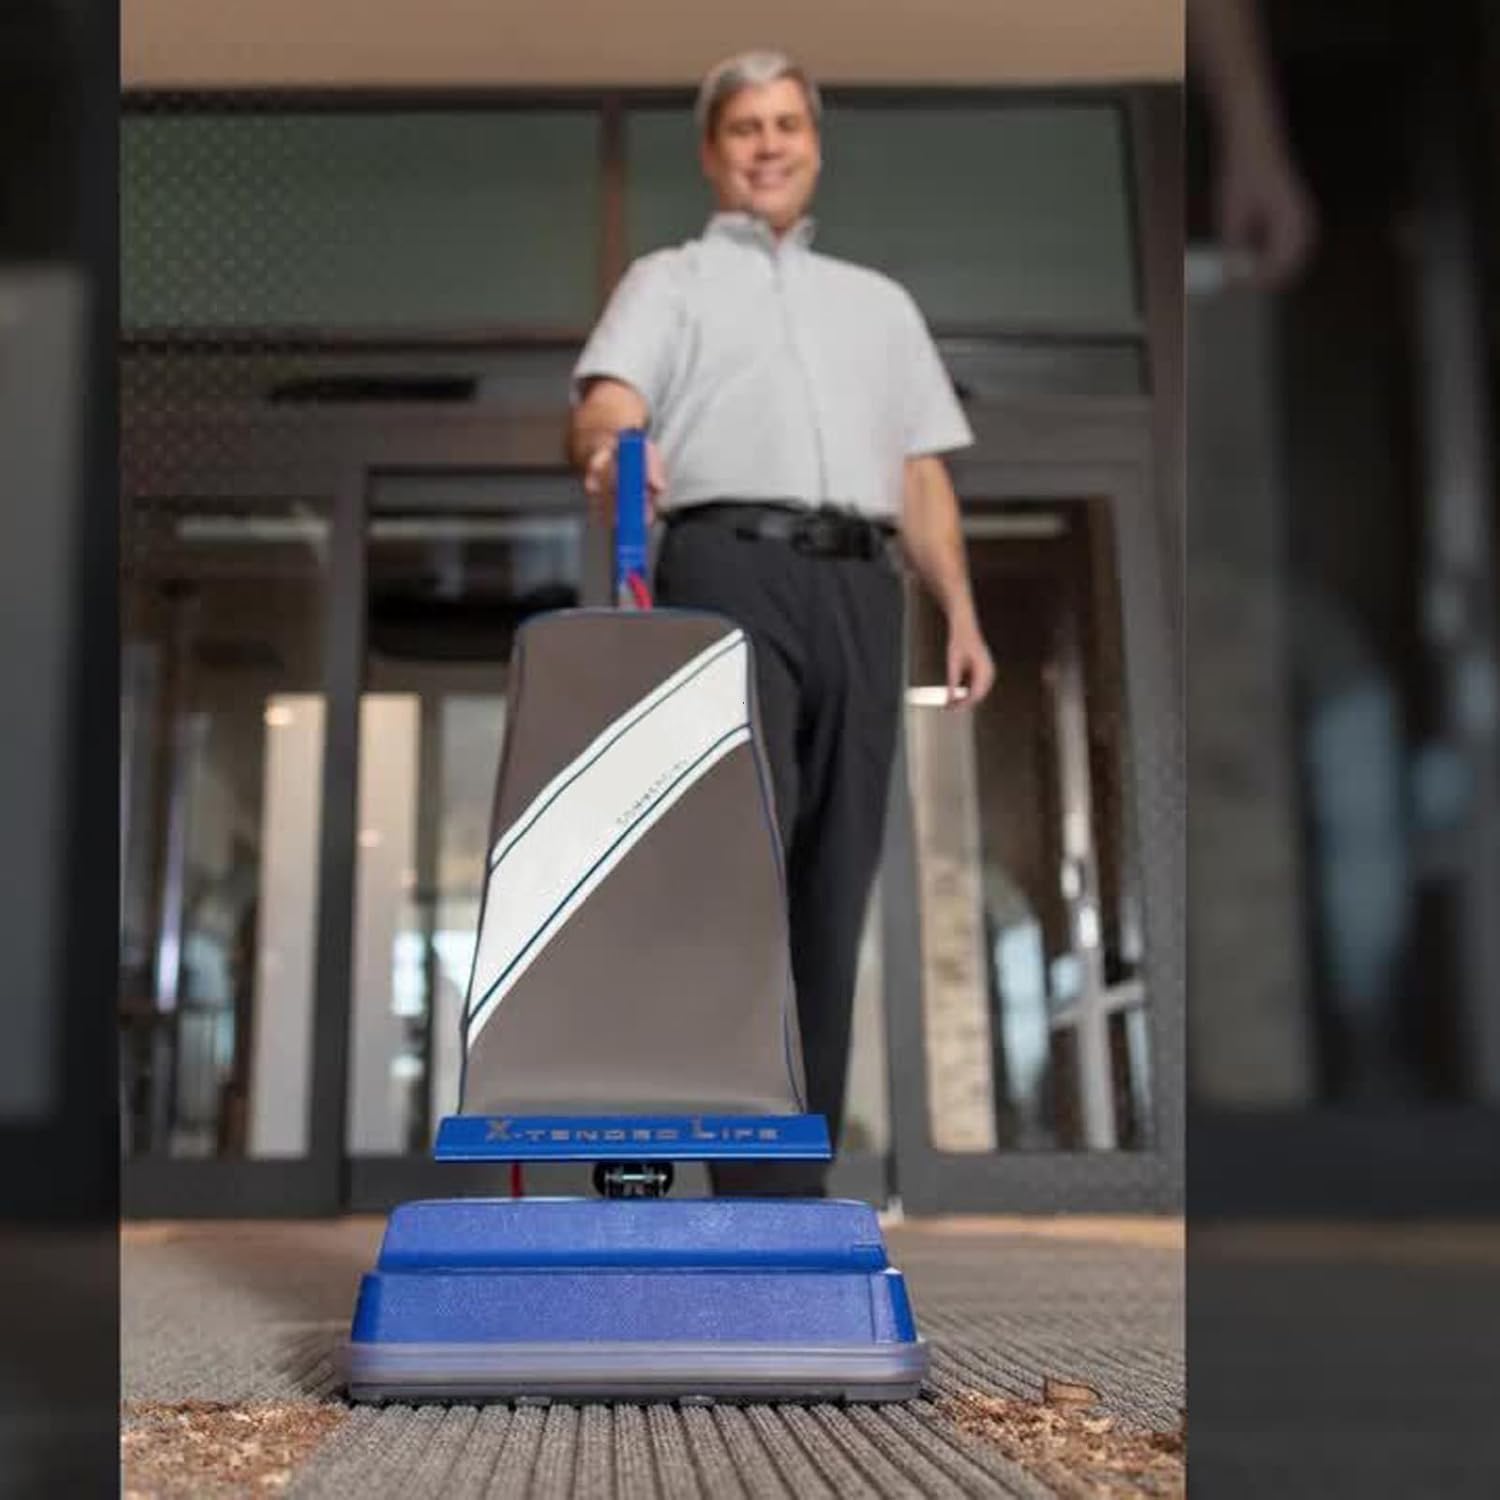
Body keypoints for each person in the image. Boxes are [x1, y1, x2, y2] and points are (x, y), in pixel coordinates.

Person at [567, 49, 995, 1194]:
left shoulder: (879, 305)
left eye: (787, 125)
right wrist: (611, 452)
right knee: (730, 865)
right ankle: (704, 1171)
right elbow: (608, 403)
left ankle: (788, 1185)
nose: (768, 144)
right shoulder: (668, 282)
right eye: (745, 127)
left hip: (862, 585)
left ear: (814, 143)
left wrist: (958, 608)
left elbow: (920, 476)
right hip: (726, 568)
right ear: (713, 154)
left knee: (834, 877)